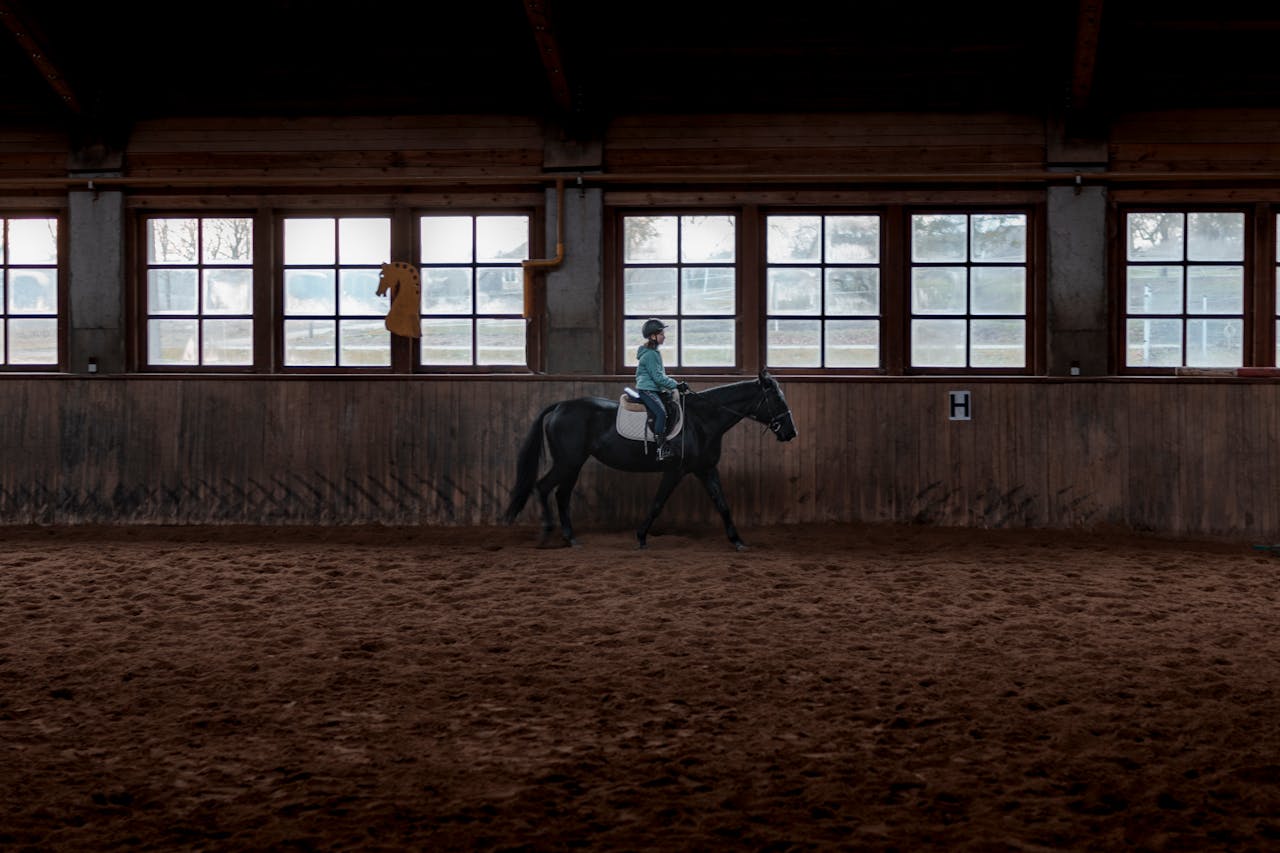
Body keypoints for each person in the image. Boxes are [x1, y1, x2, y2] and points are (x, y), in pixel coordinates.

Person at [635, 318, 689, 460]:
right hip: (647, 390)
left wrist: (672, 386)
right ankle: (661, 448)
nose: (664, 336)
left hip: (654, 389)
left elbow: (660, 377)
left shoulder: (653, 352)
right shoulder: (651, 354)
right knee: (661, 413)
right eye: (661, 334)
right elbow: (658, 377)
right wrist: (676, 385)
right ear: (653, 336)